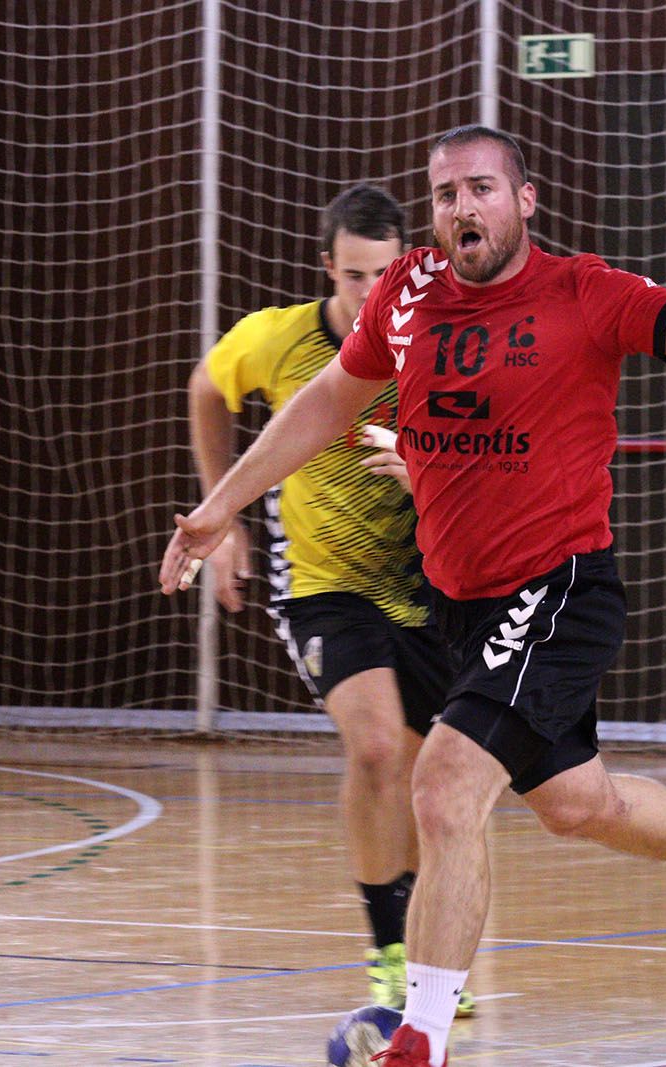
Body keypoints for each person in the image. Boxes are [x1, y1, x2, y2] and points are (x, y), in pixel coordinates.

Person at [162, 126, 666, 1066]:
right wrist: (220, 506)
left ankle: (418, 1037)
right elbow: (326, 403)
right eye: (444, 195)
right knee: (577, 803)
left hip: (558, 589)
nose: (461, 208)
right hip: (463, 604)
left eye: (480, 188)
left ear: (525, 200)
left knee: (444, 784)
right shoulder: (409, 292)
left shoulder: (583, 294)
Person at [184, 183, 473, 1018]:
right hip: (323, 585)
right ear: (328, 270)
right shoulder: (280, 340)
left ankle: (429, 961)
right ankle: (388, 952)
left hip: (426, 584)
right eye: (352, 277)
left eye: (382, 275)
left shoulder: (440, 341)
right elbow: (207, 387)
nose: (368, 292)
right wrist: (225, 510)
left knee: (428, 774)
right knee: (378, 748)